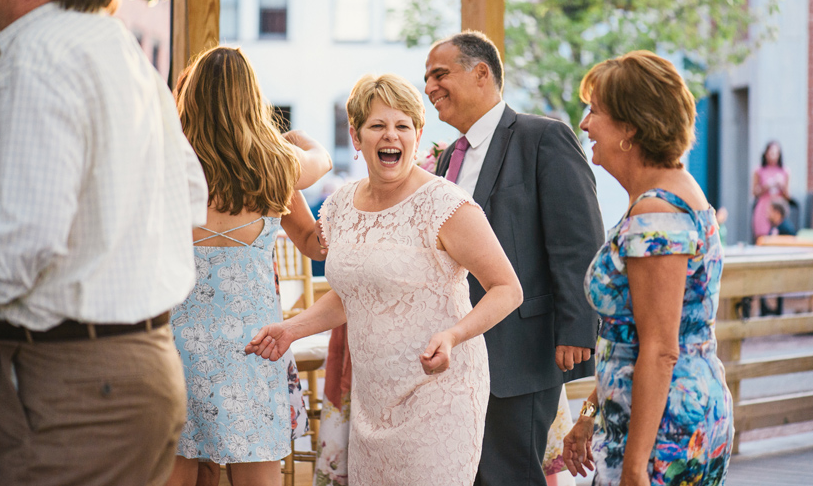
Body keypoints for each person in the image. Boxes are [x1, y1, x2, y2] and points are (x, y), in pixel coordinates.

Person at [0, 0, 209, 484]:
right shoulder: (123, 56)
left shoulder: (41, 57)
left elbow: (26, 234)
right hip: (142, 370)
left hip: (70, 386)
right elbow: (192, 194)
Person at [246, 73, 524, 485]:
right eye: (377, 126)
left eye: (402, 126)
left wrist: (453, 335)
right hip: (372, 399)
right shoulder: (340, 205)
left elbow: (508, 289)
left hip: (440, 392)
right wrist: (291, 329)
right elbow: (349, 294)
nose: (390, 135)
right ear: (356, 138)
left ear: (417, 134)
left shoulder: (444, 204)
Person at [426, 31, 604, 486]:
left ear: (481, 73)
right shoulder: (447, 160)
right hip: (456, 355)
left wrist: (578, 328)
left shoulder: (542, 137)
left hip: (521, 355)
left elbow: (578, 242)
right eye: (426, 79)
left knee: (512, 476)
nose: (429, 88)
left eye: (439, 74)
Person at [561, 50, 733, 486]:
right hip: (659, 415)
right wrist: (588, 415)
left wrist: (635, 469)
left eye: (594, 111)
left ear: (629, 128)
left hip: (663, 433)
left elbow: (659, 349)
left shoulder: (657, 213)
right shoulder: (673, 191)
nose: (585, 124)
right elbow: (629, 337)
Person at [168, 46, 331, 486]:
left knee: (174, 470)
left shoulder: (169, 164)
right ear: (251, 99)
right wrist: (296, 138)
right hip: (255, 346)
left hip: (176, 341)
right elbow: (324, 162)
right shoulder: (276, 166)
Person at [752, 141, 790, 238]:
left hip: (778, 210)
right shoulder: (759, 170)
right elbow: (754, 192)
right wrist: (766, 186)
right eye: (771, 153)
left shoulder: (784, 171)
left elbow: (788, 196)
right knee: (762, 237)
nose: (773, 156)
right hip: (763, 209)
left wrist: (781, 185)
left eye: (775, 153)